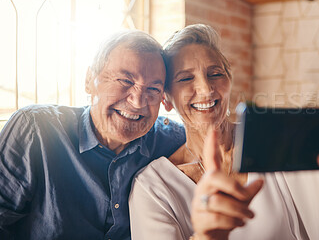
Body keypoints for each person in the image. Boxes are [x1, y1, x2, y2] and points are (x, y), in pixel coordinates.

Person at [129, 24, 319, 239]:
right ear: (166, 99)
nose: (206, 88)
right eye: (186, 78)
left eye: (215, 73)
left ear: (229, 82)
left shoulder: (274, 141)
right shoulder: (152, 187)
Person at [0, 30, 185, 240]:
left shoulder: (172, 140)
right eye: (125, 81)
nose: (138, 102)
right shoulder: (35, 130)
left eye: (153, 88)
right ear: (89, 80)